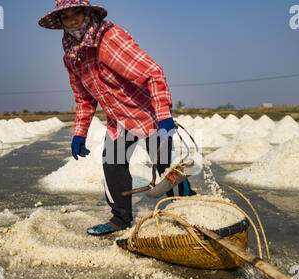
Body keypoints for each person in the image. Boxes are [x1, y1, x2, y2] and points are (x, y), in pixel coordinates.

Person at [38, 0, 196, 236]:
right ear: (59, 22)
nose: (72, 20)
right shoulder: (71, 55)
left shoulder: (109, 39)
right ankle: (120, 219)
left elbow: (153, 72)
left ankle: (186, 213)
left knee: (166, 168)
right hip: (118, 121)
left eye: (77, 13)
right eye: (66, 17)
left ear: (87, 13)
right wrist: (79, 132)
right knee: (112, 164)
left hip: (148, 115)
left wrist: (163, 115)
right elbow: (83, 98)